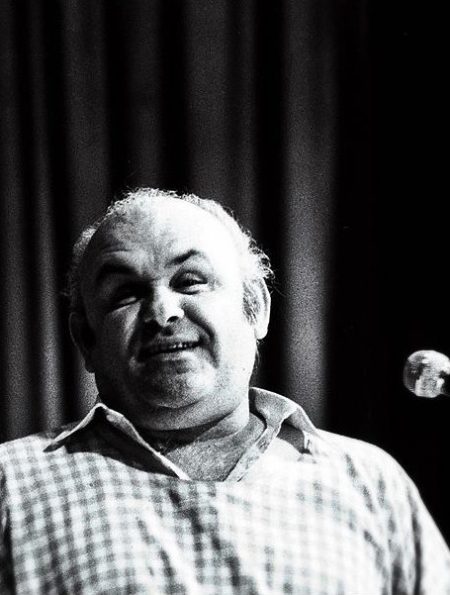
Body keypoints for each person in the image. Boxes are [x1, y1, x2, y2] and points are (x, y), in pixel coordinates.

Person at [0, 188, 449, 594]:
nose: (162, 311)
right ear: (86, 339)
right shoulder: (11, 485)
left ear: (257, 309)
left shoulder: (369, 481)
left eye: (190, 281)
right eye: (125, 293)